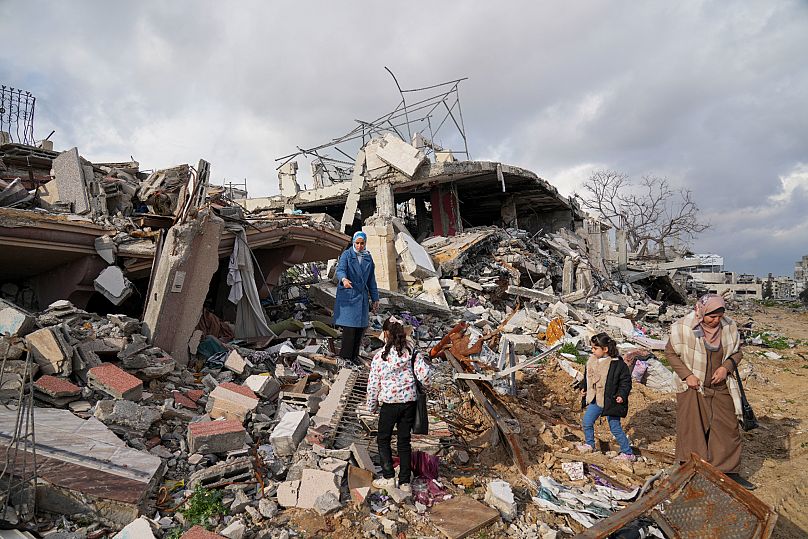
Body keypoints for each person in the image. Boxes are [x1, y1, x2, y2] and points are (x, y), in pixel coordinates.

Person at [666, 294, 754, 490]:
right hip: (692, 387)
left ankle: (728, 471)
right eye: (711, 317)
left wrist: (726, 367)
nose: (715, 321)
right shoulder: (683, 327)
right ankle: (689, 469)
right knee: (692, 429)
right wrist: (687, 375)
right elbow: (670, 353)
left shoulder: (728, 327)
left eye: (719, 316)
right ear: (702, 312)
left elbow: (737, 352)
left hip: (720, 386)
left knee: (727, 428)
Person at [366, 316, 432, 493]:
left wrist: (371, 406)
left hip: (389, 404)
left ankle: (388, 477)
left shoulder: (380, 357)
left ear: (386, 333)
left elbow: (373, 385)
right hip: (409, 403)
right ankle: (404, 482)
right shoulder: (412, 352)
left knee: (383, 439)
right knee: (404, 441)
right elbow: (425, 375)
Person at [577, 333, 635, 461]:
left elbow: (625, 382)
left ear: (605, 349)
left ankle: (628, 453)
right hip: (595, 398)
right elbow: (588, 377)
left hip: (611, 400)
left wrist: (621, 395)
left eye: (595, 348)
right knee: (587, 421)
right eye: (592, 348)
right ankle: (589, 444)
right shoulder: (592, 361)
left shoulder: (617, 365)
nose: (592, 351)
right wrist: (584, 388)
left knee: (615, 427)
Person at [334, 231, 380, 364]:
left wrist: (375, 298)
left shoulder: (368, 258)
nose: (359, 246)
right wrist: (344, 279)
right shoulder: (347, 255)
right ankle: (345, 357)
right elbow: (340, 270)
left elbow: (371, 279)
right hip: (349, 294)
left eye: (362, 243)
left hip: (361, 296)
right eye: (357, 243)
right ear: (353, 243)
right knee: (349, 329)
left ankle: (354, 357)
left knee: (360, 329)